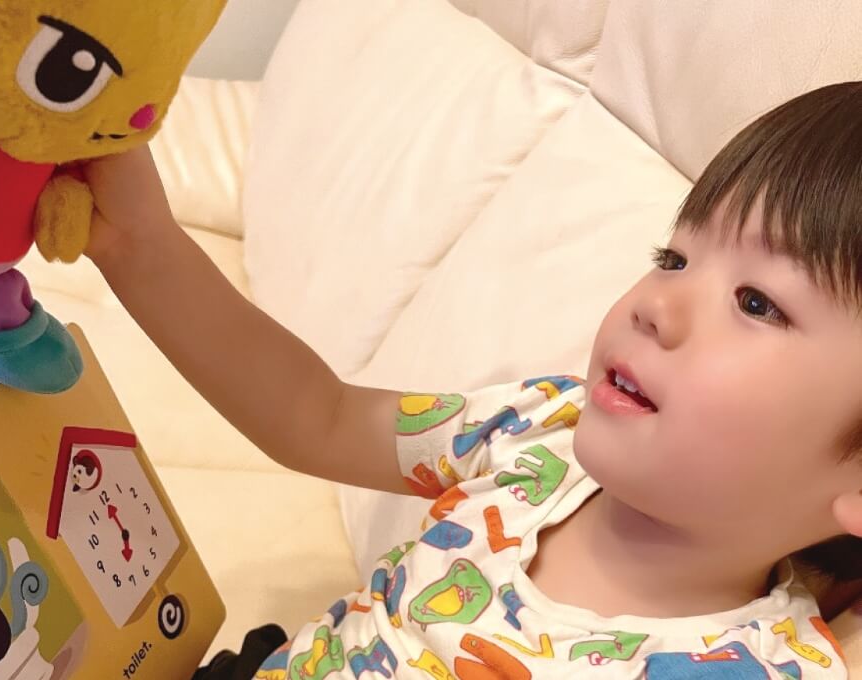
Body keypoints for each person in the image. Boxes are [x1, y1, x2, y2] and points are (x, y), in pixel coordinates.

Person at [82, 81, 862, 678]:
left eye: (756, 303)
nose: (656, 304)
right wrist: (139, 245)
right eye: (674, 258)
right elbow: (316, 417)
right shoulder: (539, 430)